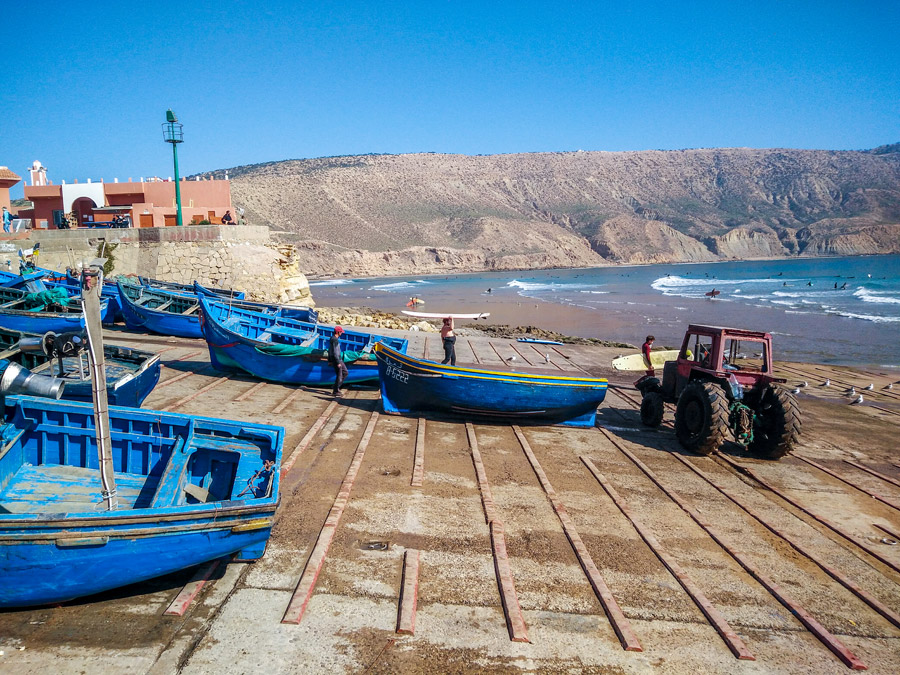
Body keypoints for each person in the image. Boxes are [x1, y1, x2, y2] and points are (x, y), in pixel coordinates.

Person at [328, 326, 349, 397]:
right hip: (337, 360)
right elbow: (334, 352)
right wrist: (337, 362)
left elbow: (329, 350)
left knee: (345, 373)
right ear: (338, 332)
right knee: (340, 374)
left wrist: (330, 360)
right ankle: (336, 390)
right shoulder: (335, 340)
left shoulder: (332, 339)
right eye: (341, 332)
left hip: (337, 359)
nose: (341, 333)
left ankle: (336, 386)